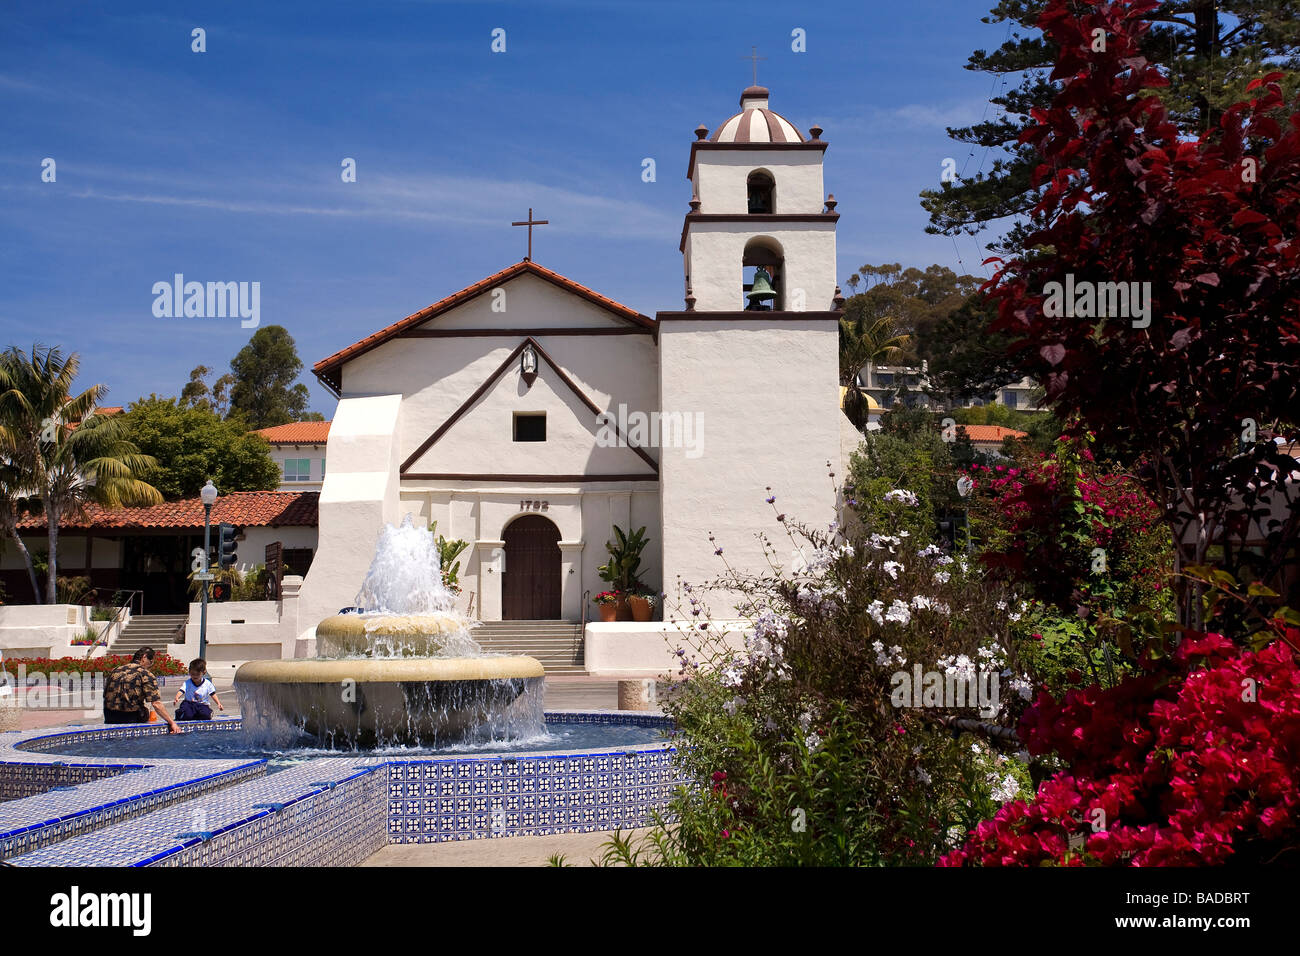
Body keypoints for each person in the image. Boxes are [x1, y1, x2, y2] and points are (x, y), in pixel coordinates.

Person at [103, 646, 181, 733]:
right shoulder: (145, 674)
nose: (150, 665)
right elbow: (156, 704)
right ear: (144, 657)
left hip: (109, 715)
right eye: (151, 662)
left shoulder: (115, 670)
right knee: (146, 710)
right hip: (130, 717)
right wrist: (172, 723)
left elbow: (106, 695)